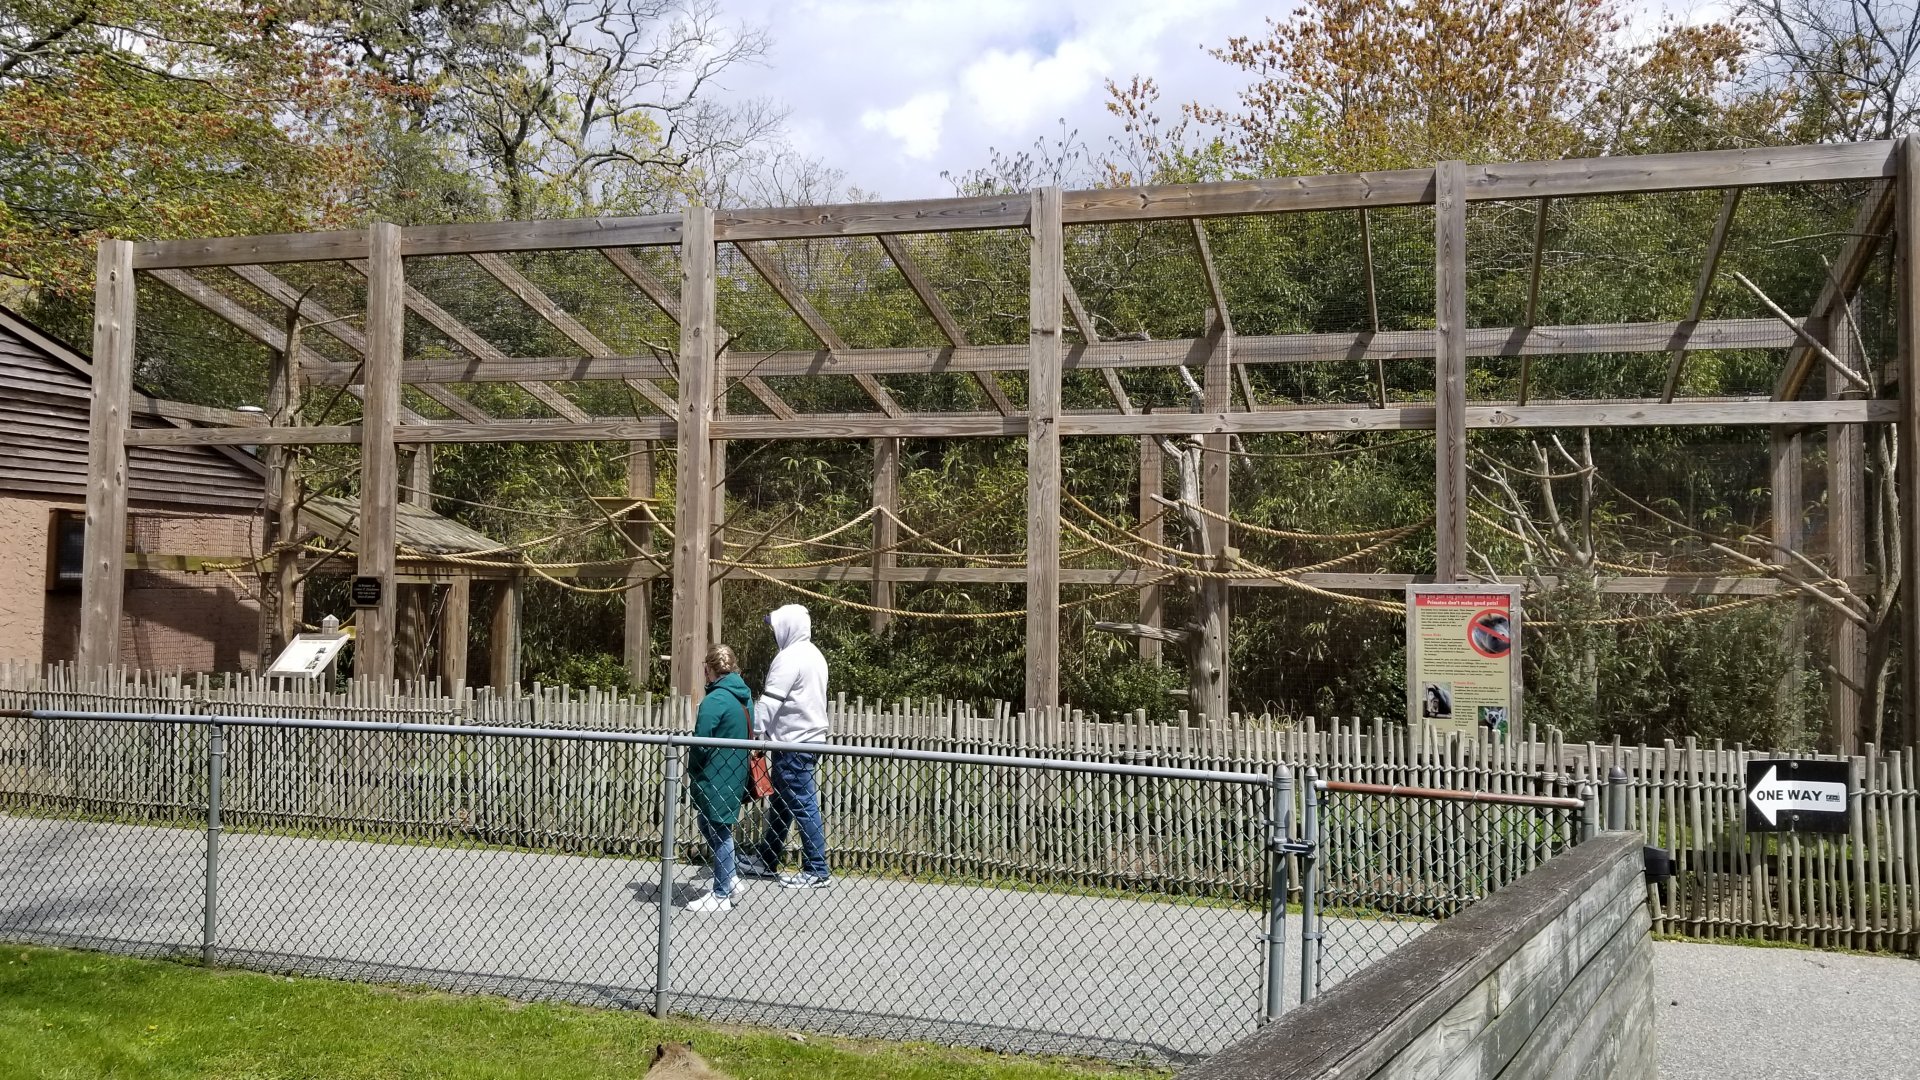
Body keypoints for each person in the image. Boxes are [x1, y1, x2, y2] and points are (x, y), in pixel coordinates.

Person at [737, 603, 831, 890]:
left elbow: (769, 702)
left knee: (802, 804)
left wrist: (754, 735)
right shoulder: (815, 655)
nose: (773, 632)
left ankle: (817, 869)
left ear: (787, 627)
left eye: (776, 626)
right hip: (810, 739)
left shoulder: (788, 658)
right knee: (783, 804)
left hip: (793, 742)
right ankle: (768, 858)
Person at [686, 644, 753, 913]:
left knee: (720, 829)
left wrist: (693, 769)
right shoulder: (744, 697)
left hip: (716, 771)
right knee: (708, 821)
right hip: (737, 768)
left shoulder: (714, 700)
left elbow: (700, 742)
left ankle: (721, 893)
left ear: (708, 669)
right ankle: (731, 876)